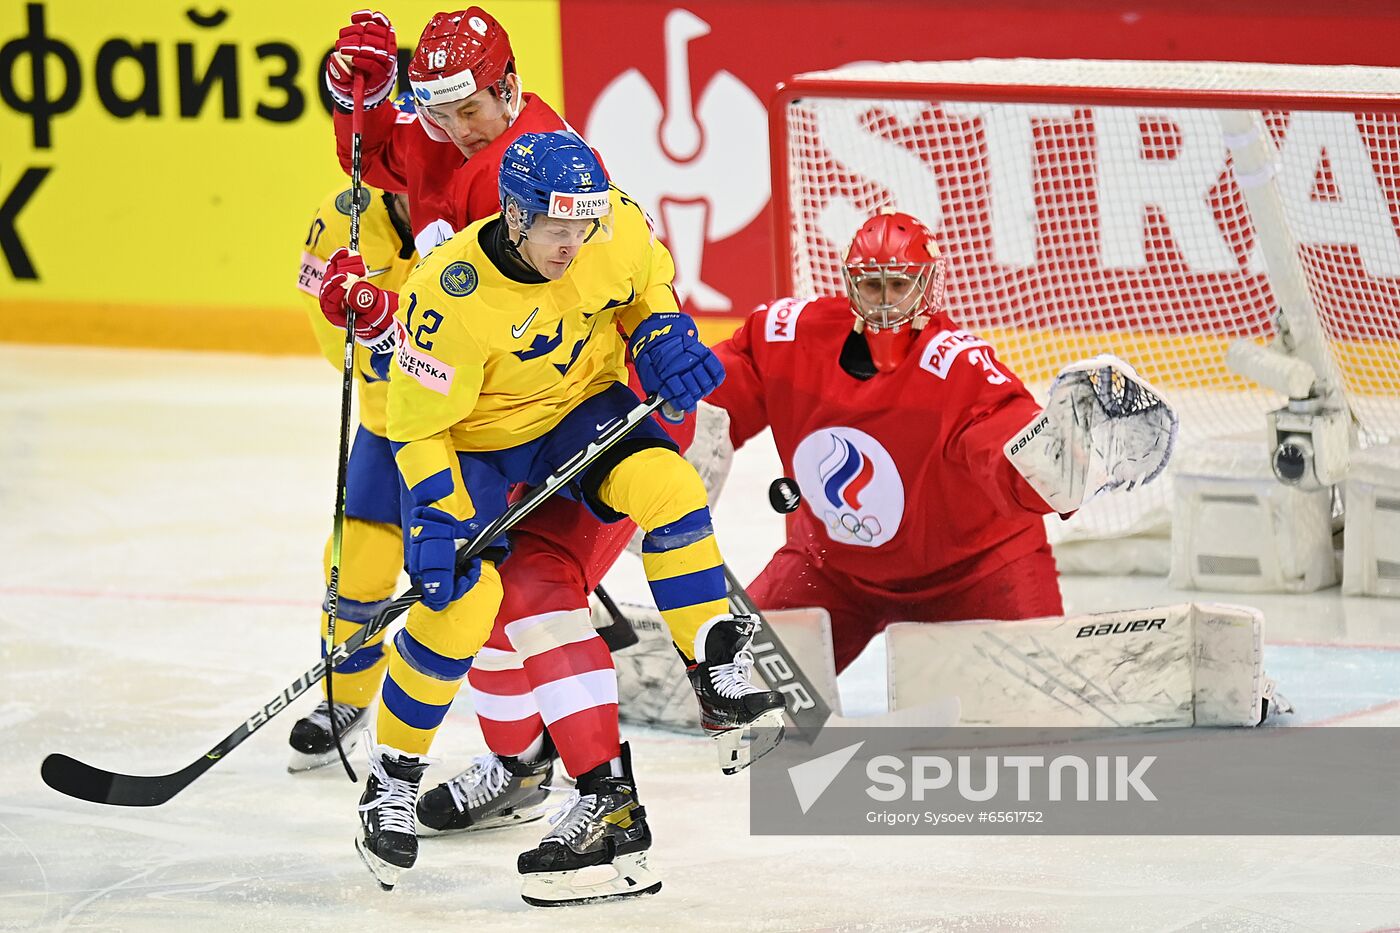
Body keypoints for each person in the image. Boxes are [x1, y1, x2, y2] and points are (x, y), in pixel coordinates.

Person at [325, 130, 785, 899]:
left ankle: (717, 666)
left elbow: (648, 294)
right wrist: (437, 518)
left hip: (580, 411)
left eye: (584, 225)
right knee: (460, 602)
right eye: (554, 227)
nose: (572, 243)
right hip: (477, 445)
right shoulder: (450, 291)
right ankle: (392, 776)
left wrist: (664, 336)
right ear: (512, 213)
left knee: (669, 486)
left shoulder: (615, 228)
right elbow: (415, 424)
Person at [320, 6, 686, 854]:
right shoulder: (440, 130)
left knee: (523, 590)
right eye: (435, 110)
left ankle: (597, 794)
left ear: (511, 89)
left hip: (576, 410)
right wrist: (356, 97)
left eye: (469, 111)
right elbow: (370, 155)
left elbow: (508, 322)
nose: (451, 129)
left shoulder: (526, 176)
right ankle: (514, 768)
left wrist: (382, 321)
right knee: (473, 600)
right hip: (489, 414)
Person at [704, 212, 1177, 673]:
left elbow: (1008, 450)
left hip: (972, 575)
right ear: (851, 284)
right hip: (830, 569)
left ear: (926, 286)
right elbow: (717, 396)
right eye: (871, 284)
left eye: (899, 284)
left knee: (1034, 715)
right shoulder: (786, 336)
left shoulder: (958, 367)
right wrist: (667, 441)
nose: (884, 301)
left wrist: (1064, 457)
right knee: (727, 686)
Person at [288, 181, 416, 770]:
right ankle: (349, 697)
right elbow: (323, 327)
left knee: (495, 589)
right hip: (388, 424)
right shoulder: (344, 218)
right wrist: (372, 342)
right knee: (355, 566)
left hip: (488, 433)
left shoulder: (491, 196)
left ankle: (528, 744)